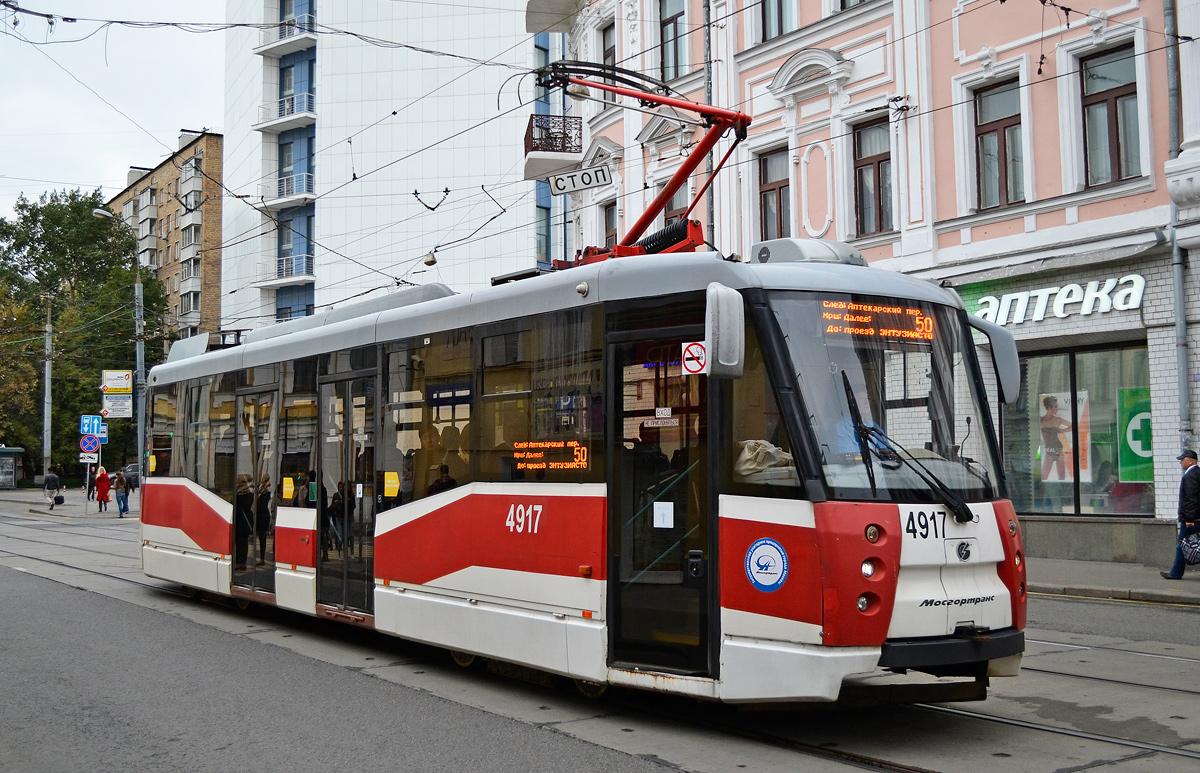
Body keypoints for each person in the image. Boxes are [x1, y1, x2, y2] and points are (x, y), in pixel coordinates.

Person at [1162, 449, 1200, 580]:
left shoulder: (1191, 475)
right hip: (1195, 517)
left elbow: (1191, 499)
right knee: (1190, 545)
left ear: (1190, 460)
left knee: (1182, 545)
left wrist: (1189, 518)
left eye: (1182, 460)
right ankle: (1176, 572)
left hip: (1191, 519)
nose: (1180, 463)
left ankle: (1175, 573)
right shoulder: (1196, 473)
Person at [1040, 396, 1072, 482]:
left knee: (1061, 476)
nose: (1057, 409)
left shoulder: (1058, 420)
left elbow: (1073, 425)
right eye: (1055, 406)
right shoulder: (1041, 420)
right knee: (1043, 476)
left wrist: (1062, 430)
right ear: (1050, 407)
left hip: (1058, 449)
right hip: (1048, 451)